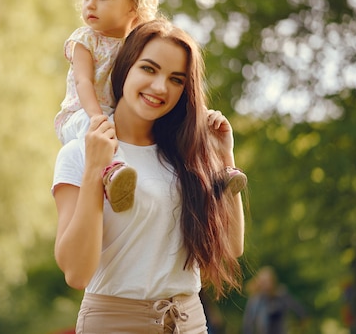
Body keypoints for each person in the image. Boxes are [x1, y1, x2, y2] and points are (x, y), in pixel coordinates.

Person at [52, 18, 247, 333]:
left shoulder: (187, 157)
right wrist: (93, 171)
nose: (160, 87)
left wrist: (225, 157)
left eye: (176, 79)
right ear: (125, 68)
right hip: (115, 323)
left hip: (188, 322)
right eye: (149, 69)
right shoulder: (78, 153)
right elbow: (76, 273)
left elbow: (231, 246)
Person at [54, 0, 162, 213]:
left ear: (133, 7)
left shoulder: (136, 44)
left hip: (112, 115)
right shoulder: (85, 40)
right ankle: (113, 173)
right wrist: (95, 117)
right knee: (93, 134)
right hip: (80, 113)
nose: (90, 4)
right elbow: (83, 82)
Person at [242, 266, 309, 334]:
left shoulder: (281, 295)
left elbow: (297, 308)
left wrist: (302, 320)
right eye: (263, 282)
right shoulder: (256, 300)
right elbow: (248, 323)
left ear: (272, 281)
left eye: (267, 282)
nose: (265, 285)